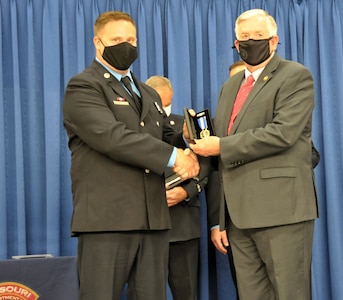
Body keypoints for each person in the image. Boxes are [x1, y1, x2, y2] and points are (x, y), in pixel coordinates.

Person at [62, 11, 200, 300]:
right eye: (116, 39)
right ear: (97, 43)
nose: (125, 45)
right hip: (107, 220)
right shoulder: (84, 86)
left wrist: (188, 142)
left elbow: (159, 136)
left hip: (154, 220)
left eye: (131, 39)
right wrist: (176, 156)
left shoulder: (147, 92)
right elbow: (112, 138)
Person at [190, 9, 318, 300]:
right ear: (235, 44)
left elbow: (282, 133)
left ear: (274, 41)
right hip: (237, 217)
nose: (250, 41)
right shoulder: (230, 86)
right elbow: (222, 146)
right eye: (244, 37)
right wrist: (198, 141)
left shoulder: (296, 76)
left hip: (281, 210)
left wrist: (220, 146)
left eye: (258, 36)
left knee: (290, 293)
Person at [145, 75, 210, 300]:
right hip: (145, 227)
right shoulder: (130, 130)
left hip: (182, 227)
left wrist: (186, 192)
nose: (164, 111)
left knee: (186, 292)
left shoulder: (184, 127)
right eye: (160, 105)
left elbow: (207, 167)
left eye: (168, 104)